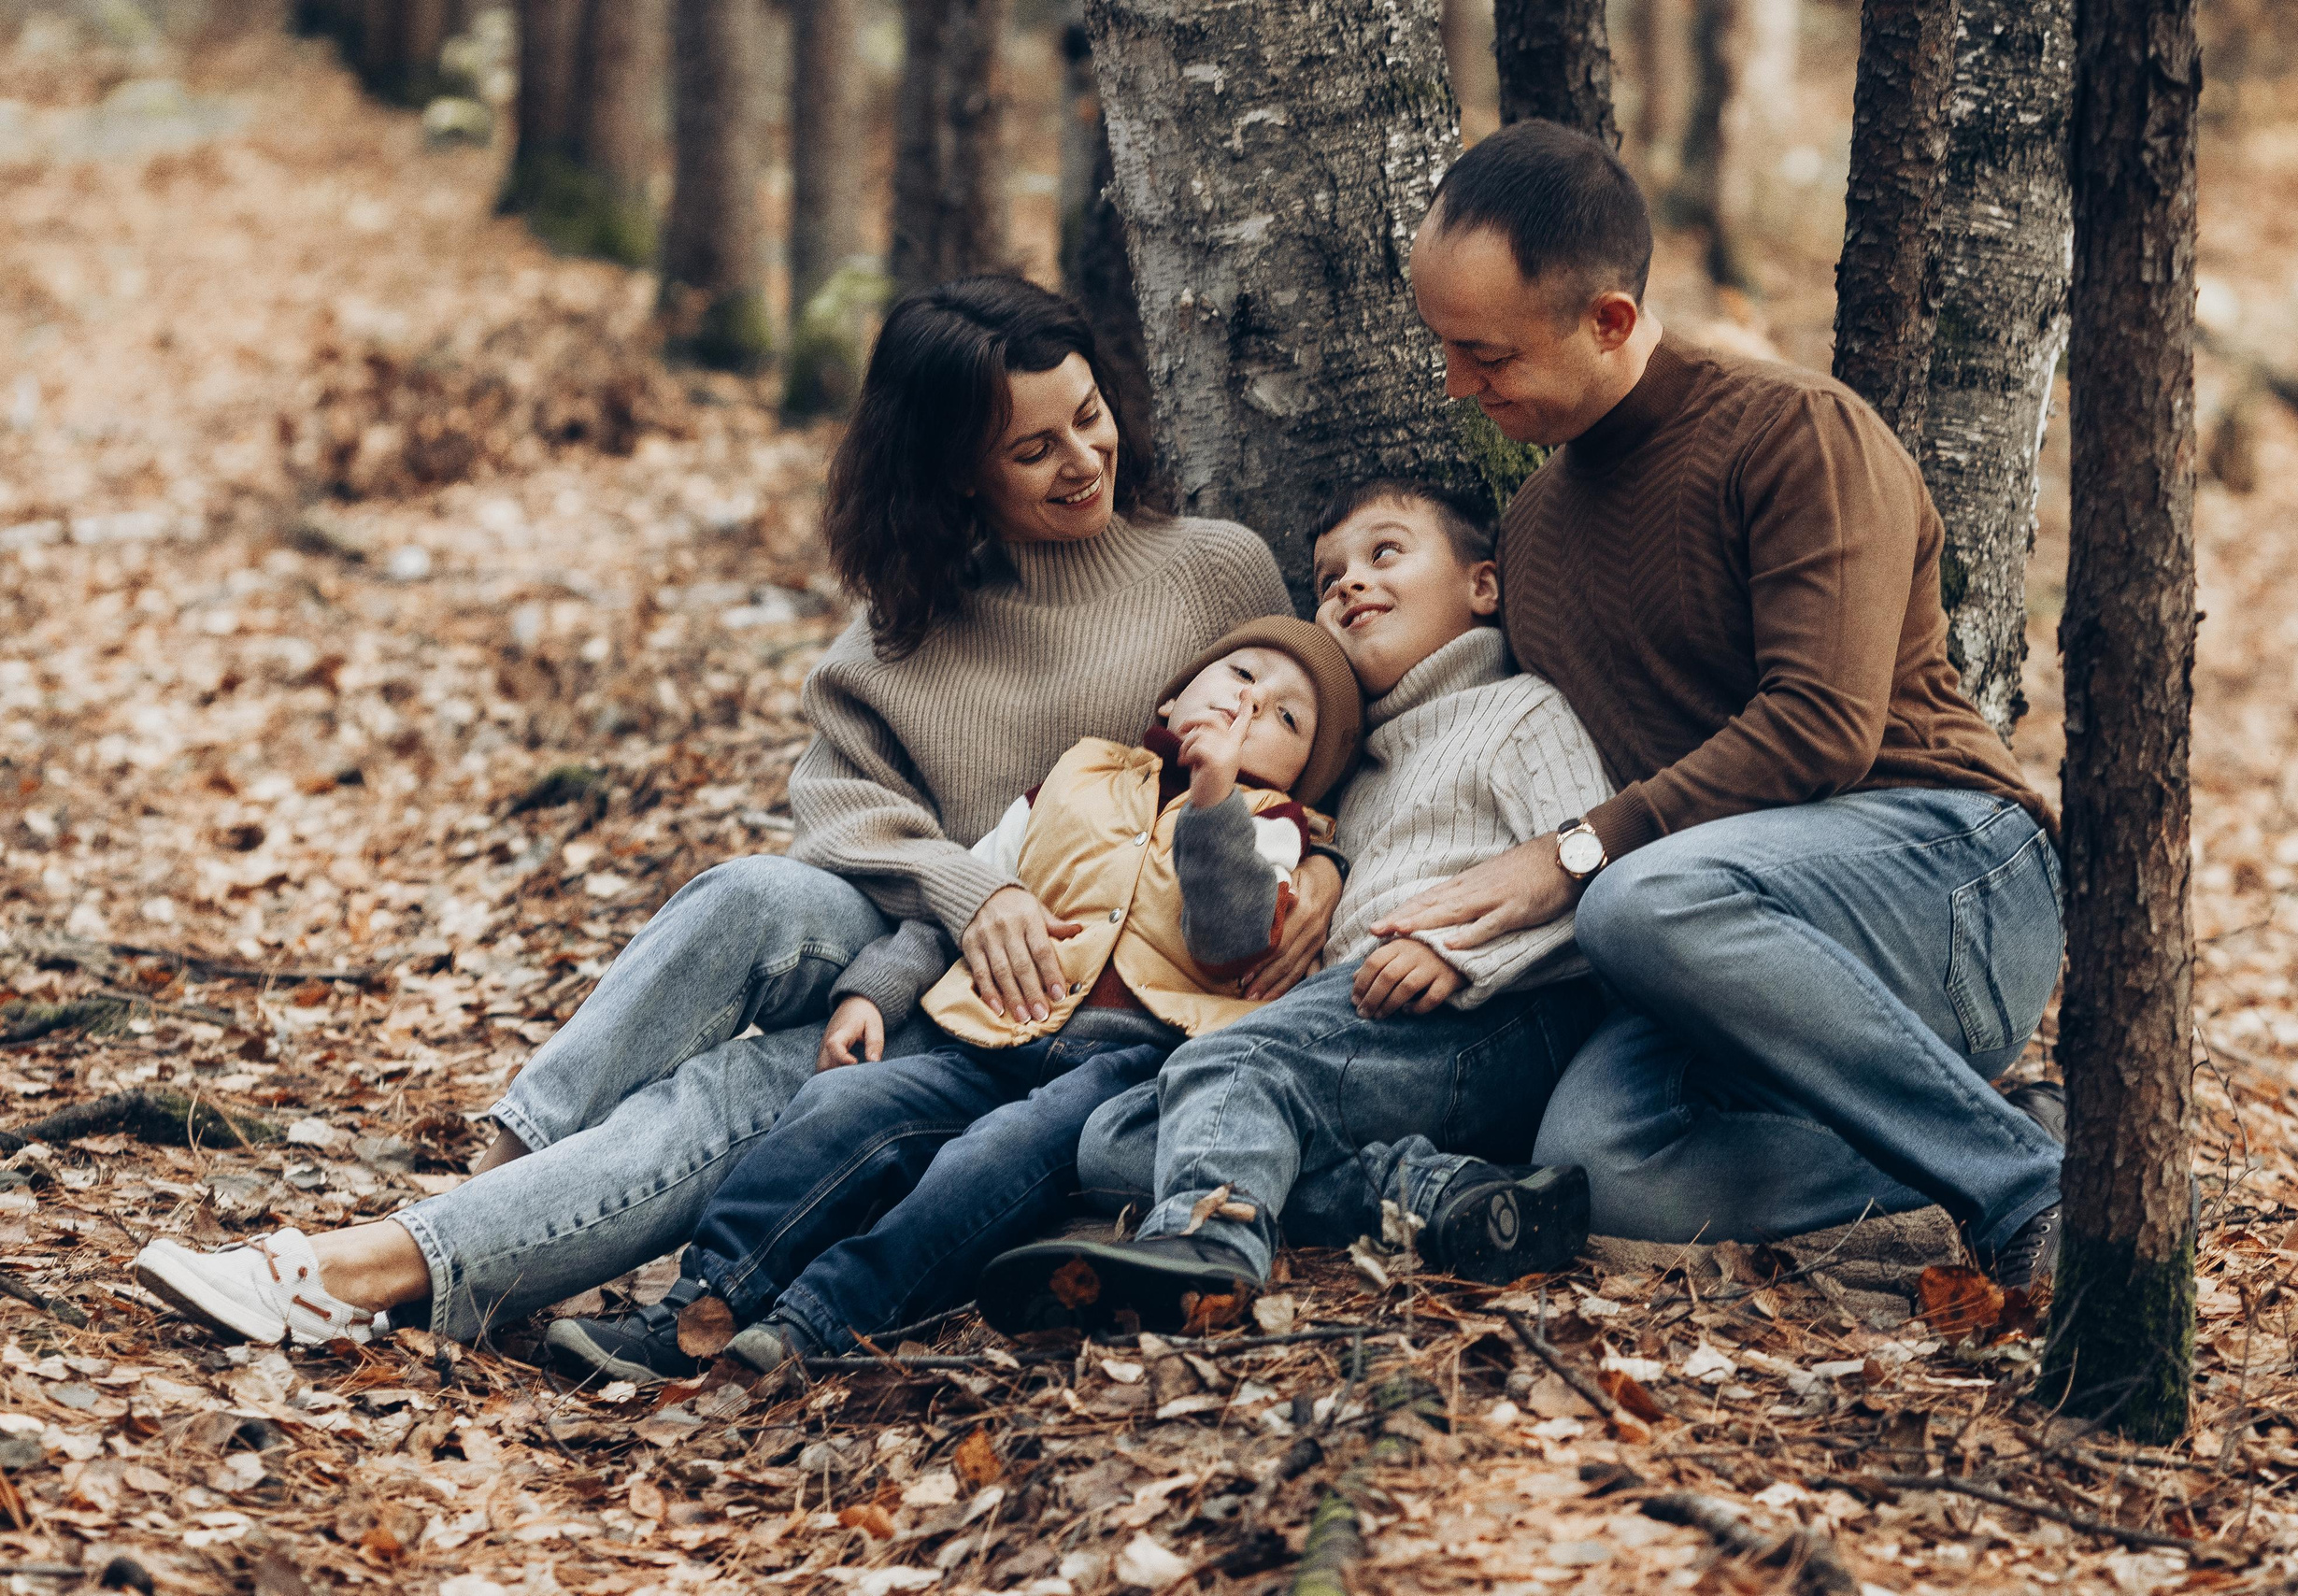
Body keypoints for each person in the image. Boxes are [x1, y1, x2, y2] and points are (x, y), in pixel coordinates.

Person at [130, 277, 1342, 1348]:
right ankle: (497, 1170)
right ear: (953, 469)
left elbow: (1324, 742)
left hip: (1056, 1001)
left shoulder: (1215, 569)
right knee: (748, 895)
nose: (1083, 459)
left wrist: (1329, 878)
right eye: (1033, 448)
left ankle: (367, 1268)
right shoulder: (910, 618)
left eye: (1089, 415)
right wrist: (969, 891)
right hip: (918, 935)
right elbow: (836, 805)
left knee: (732, 1094)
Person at [1372, 121, 2068, 1288]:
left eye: (1483, 353)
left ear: (1608, 320)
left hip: (1953, 883)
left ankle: (2030, 1193)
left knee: (1635, 896)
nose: (1455, 384)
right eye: (1443, 346)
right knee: (1601, 1169)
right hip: (1717, 949)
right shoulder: (1531, 534)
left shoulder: (1795, 431)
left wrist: (1574, 853)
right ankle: (2016, 1135)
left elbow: (1821, 728)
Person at [541, 619, 1363, 1385]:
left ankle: (822, 1318)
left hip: (1127, 1066)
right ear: (1173, 697)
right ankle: (701, 1306)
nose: (1250, 706)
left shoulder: (1273, 830)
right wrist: (875, 991)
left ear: (1306, 773)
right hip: (990, 1035)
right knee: (838, 1107)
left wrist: (1216, 798)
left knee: (990, 1157)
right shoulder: (1079, 776)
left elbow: (1229, 937)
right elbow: (967, 901)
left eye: (1286, 719)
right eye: (1241, 675)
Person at [979, 478, 1613, 1335]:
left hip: (1497, 1014)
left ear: (1483, 585)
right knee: (1118, 1138)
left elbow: (1595, 883)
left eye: (1384, 553)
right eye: (1327, 578)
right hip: (1368, 1030)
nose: (1349, 582)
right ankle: (1441, 1195)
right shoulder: (1354, 764)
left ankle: (1208, 1252)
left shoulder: (1519, 711)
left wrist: (1462, 956)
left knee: (1230, 1069)